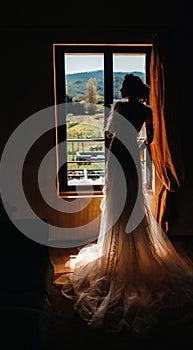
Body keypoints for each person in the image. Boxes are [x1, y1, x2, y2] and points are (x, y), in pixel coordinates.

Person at [55, 74, 193, 338]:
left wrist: (115, 147)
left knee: (118, 204)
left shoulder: (119, 107)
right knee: (132, 203)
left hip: (117, 157)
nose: (120, 89)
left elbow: (107, 136)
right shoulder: (146, 110)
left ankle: (117, 252)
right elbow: (150, 139)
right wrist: (137, 147)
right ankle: (134, 248)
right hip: (131, 159)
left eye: (122, 86)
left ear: (127, 90)